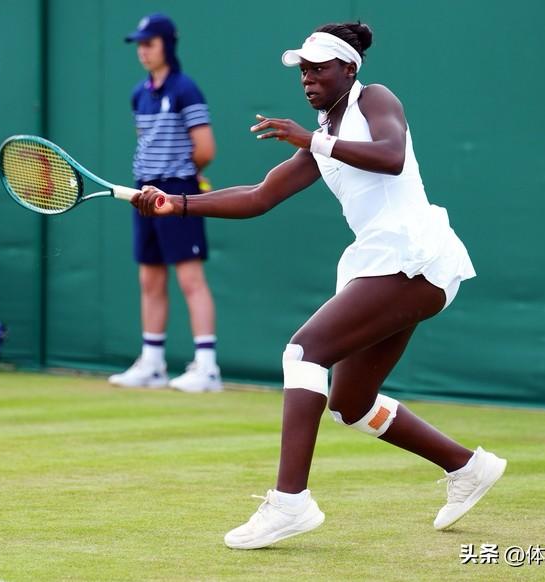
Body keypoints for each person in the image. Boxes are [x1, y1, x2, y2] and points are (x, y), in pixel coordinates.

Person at [133, 22, 507, 549]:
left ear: (348, 69)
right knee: (351, 402)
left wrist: (312, 139)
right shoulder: (322, 135)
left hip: (414, 257)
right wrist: (179, 203)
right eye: (303, 71)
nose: (307, 79)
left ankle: (290, 502)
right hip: (387, 264)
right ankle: (466, 466)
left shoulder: (374, 99)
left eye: (318, 69)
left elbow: (392, 155)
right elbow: (260, 196)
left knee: (303, 353)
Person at [109, 13, 221, 393]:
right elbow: (146, 141)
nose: (142, 51)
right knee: (150, 277)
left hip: (177, 191)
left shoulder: (186, 89)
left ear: (167, 45)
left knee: (190, 278)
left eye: (149, 43)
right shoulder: (138, 94)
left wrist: (181, 179)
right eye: (139, 45)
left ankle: (207, 368)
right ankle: (152, 364)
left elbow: (205, 149)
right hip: (143, 193)